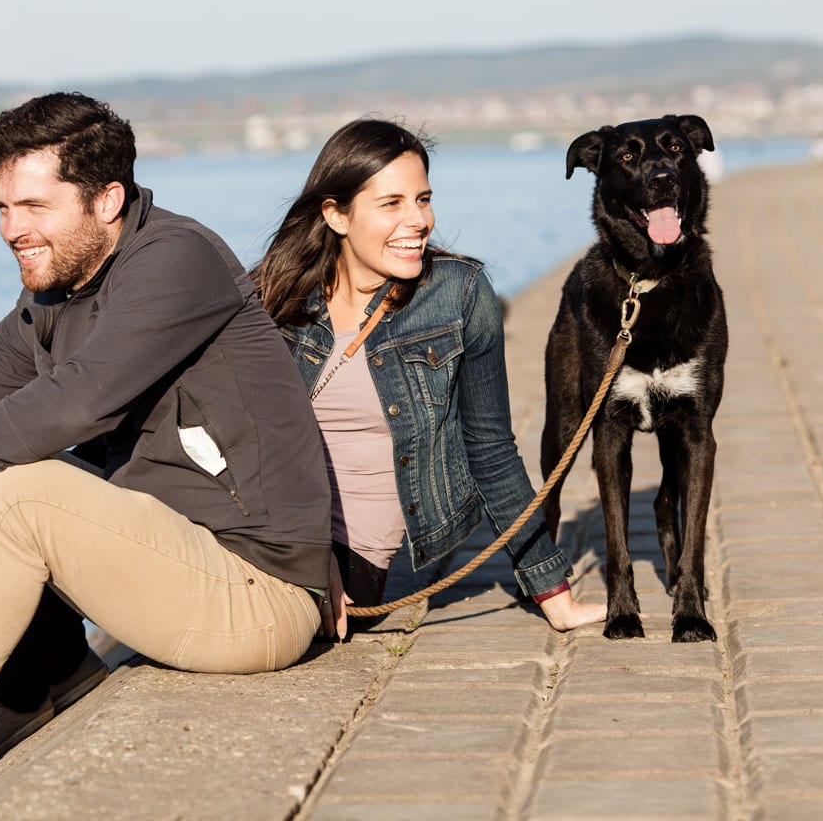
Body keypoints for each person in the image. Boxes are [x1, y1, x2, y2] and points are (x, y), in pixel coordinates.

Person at [0, 93, 332, 821]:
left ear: (108, 199)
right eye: (3, 208)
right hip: (172, 571)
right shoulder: (52, 295)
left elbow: (83, 400)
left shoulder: (177, 260)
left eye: (35, 207)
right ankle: (32, 687)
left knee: (14, 485)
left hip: (261, 596)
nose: (14, 230)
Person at [252, 119, 607, 640]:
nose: (418, 220)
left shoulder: (457, 296)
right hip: (282, 539)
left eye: (422, 199)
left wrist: (553, 592)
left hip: (363, 566)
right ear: (337, 216)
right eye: (391, 203)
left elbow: (490, 449)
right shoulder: (280, 295)